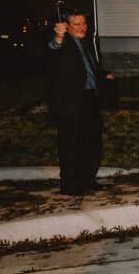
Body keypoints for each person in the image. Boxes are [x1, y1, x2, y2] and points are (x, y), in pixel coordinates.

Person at [48, 12, 113, 195]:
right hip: (69, 101)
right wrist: (58, 37)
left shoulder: (85, 43)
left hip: (89, 99)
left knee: (91, 142)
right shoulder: (64, 42)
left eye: (84, 23)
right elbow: (53, 50)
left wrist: (103, 75)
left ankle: (87, 179)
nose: (82, 27)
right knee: (70, 143)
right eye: (76, 24)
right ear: (66, 26)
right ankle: (69, 184)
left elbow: (88, 68)